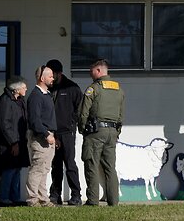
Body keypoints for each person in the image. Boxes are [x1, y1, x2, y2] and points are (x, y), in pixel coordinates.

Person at [78, 58, 125, 206]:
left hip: (95, 132)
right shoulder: (119, 89)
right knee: (110, 168)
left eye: (91, 70)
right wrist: (116, 132)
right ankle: (114, 201)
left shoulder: (94, 88)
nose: (90, 73)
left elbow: (83, 112)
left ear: (98, 70)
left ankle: (92, 201)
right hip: (112, 132)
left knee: (91, 163)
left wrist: (82, 129)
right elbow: (121, 115)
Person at [46, 59, 84, 206]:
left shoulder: (72, 88)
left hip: (67, 132)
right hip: (52, 133)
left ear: (59, 73)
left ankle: (76, 194)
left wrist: (71, 122)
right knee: (55, 165)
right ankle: (55, 195)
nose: (50, 77)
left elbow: (80, 109)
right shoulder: (48, 88)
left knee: (69, 164)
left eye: (51, 74)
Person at [0, 76, 30, 207]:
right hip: (9, 143)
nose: (26, 88)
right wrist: (13, 142)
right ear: (16, 89)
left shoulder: (19, 101)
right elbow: (4, 124)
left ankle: (14, 198)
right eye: (23, 86)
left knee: (16, 170)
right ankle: (4, 198)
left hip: (19, 140)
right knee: (9, 170)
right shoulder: (5, 101)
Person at [25, 65, 58, 207]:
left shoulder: (46, 95)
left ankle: (43, 199)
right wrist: (46, 135)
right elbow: (34, 120)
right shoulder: (35, 96)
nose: (53, 78)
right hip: (41, 138)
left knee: (44, 170)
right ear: (42, 78)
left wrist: (52, 135)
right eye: (50, 76)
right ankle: (32, 200)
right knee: (37, 169)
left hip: (48, 136)